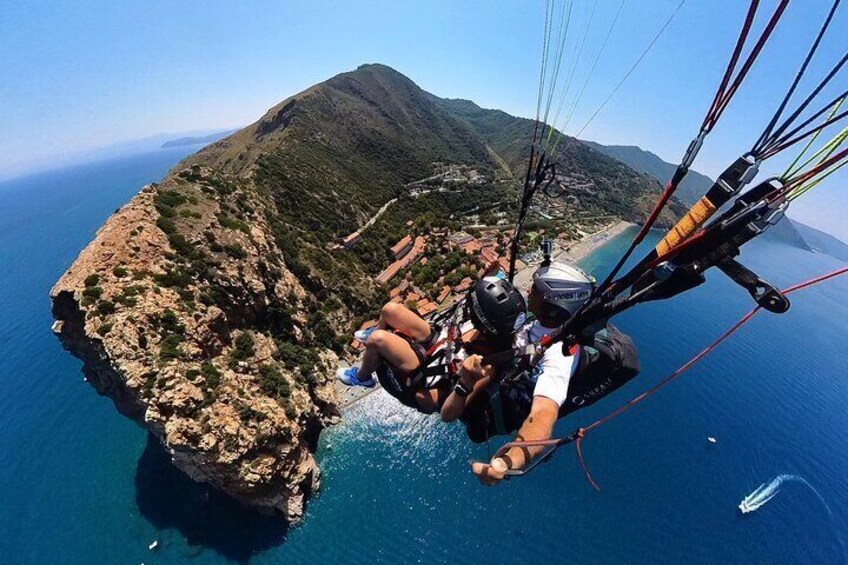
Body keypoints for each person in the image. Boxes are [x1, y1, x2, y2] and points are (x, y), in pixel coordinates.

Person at [462, 262, 639, 486]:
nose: (528, 291)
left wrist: (506, 462)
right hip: (506, 366)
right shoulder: (546, 326)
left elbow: (544, 416)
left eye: (535, 289)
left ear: (553, 303)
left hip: (489, 409)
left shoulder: (560, 354)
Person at [336, 276, 527, 414]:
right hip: (440, 342)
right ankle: (378, 337)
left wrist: (466, 383)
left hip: (429, 371)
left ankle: (363, 376)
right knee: (390, 310)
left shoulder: (487, 366)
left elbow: (448, 415)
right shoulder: (487, 326)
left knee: (378, 339)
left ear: (483, 319)